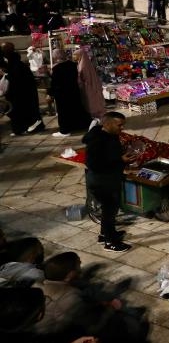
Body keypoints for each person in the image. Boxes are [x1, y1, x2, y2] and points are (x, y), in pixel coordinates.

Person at [83, 112, 132, 252]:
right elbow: (93, 163)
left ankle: (104, 234)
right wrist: (120, 160)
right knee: (109, 211)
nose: (122, 128)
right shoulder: (97, 141)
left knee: (109, 210)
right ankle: (110, 242)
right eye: (119, 125)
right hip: (101, 181)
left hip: (109, 179)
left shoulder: (110, 135)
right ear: (107, 124)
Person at [47, 49, 91, 137]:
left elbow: (55, 83)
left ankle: (65, 130)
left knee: (64, 112)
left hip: (62, 94)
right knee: (75, 108)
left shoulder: (57, 68)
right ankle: (80, 125)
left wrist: (50, 93)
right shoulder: (72, 65)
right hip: (73, 91)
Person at [74, 47, 106, 123]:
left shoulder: (83, 65)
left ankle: (97, 119)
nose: (74, 57)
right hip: (89, 87)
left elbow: (85, 78)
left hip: (89, 88)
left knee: (92, 103)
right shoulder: (83, 63)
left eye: (75, 55)